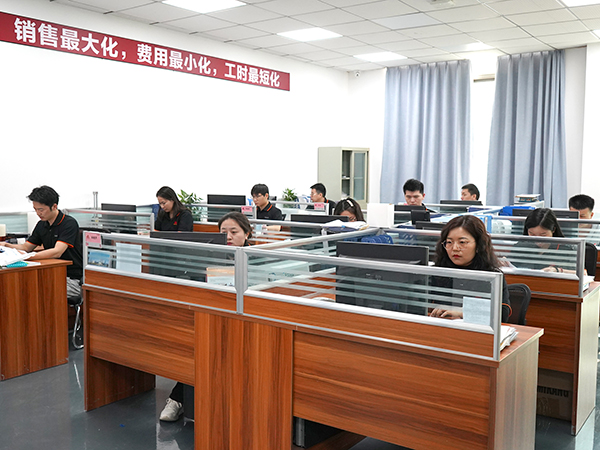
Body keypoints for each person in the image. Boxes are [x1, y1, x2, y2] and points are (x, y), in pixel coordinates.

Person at [160, 211, 252, 422]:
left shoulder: (257, 259)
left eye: (234, 232)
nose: (228, 237)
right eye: (223, 232)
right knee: (197, 345)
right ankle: (178, 398)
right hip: (212, 316)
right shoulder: (208, 257)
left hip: (246, 320)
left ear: (247, 234)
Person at [0, 185, 83, 298]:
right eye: (35, 209)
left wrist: (26, 257)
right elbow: (26, 247)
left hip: (71, 278)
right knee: (19, 286)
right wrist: (6, 245)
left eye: (41, 210)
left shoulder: (69, 223)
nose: (38, 213)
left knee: (35, 291)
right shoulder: (41, 224)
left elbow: (57, 252)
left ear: (54, 206)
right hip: (50, 273)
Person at [430, 215, 511, 322]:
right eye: (449, 242)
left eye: (462, 242)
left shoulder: (491, 276)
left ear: (478, 246)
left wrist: (463, 312)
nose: (455, 248)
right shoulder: (437, 272)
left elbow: (502, 314)